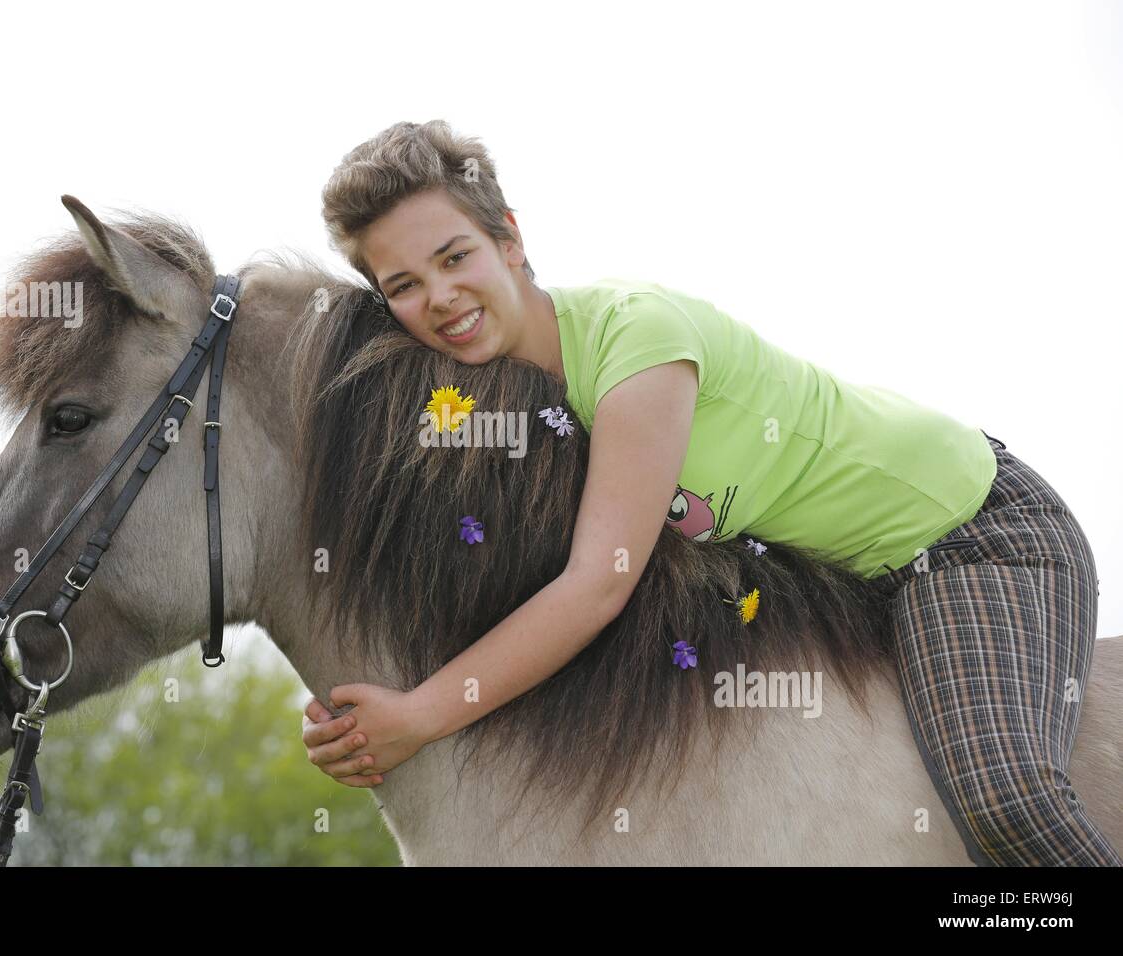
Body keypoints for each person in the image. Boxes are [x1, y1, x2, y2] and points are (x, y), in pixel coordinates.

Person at [301, 119, 1119, 866]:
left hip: (967, 532)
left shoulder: (637, 343)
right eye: (404, 285)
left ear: (510, 240)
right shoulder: (507, 402)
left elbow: (597, 585)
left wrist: (419, 716)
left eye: (454, 257)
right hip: (841, 581)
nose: (439, 298)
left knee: (1005, 798)